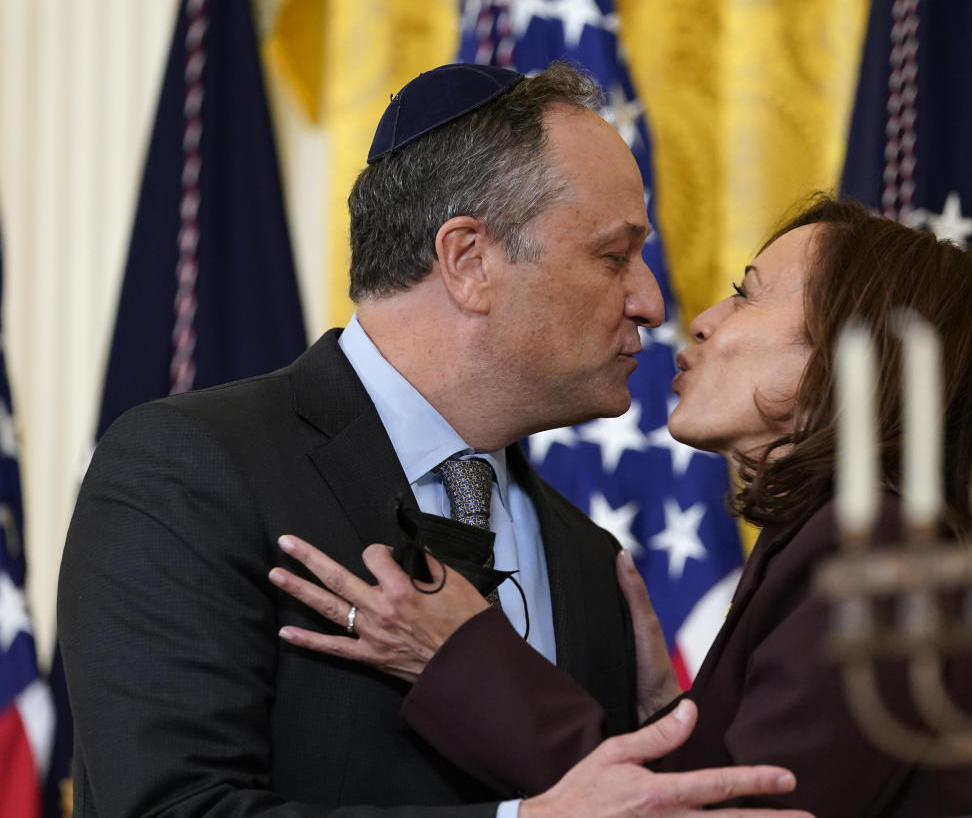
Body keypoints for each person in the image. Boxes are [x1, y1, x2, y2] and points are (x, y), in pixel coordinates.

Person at [58, 62, 809, 817]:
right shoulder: (191, 471)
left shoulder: (592, 564)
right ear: (469, 261)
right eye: (614, 256)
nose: (650, 302)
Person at [272, 194, 972, 816]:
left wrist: (465, 658)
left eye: (747, 295)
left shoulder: (881, 547)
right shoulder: (882, 542)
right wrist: (669, 719)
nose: (702, 320)